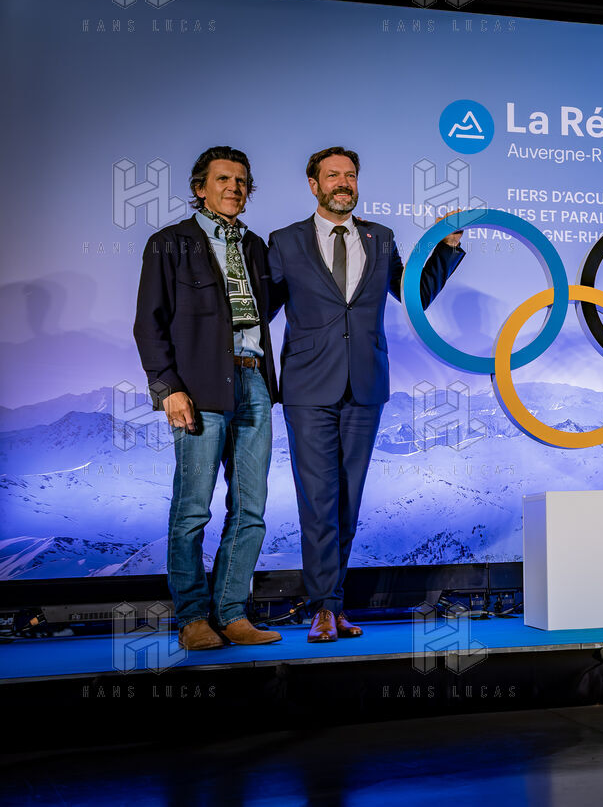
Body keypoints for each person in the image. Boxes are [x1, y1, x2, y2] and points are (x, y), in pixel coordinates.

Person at [269, 146, 464, 643]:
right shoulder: (285, 241)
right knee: (318, 499)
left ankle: (333, 605)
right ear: (314, 184)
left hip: (366, 384)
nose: (344, 183)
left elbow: (414, 295)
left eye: (351, 175)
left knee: (347, 501)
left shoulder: (382, 238)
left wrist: (446, 247)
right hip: (308, 387)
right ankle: (322, 607)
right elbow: (259, 310)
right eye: (333, 175)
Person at [133, 146, 283, 649]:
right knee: (193, 508)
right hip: (198, 387)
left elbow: (266, 308)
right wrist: (168, 388)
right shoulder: (168, 243)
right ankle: (193, 618)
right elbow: (148, 324)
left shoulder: (256, 246)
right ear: (200, 188)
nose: (234, 188)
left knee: (251, 508)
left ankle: (232, 614)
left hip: (254, 381)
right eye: (223, 179)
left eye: (241, 181)